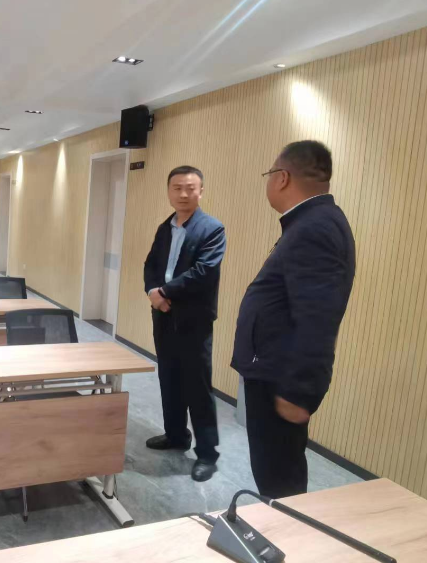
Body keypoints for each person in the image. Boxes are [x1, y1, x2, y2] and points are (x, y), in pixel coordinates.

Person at [232, 140, 355, 498]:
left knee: (279, 481)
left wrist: (298, 391)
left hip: (280, 379)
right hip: (275, 371)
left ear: (282, 177)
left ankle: (287, 532)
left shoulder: (314, 228)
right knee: (275, 474)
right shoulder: (311, 222)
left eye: (269, 174)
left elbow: (318, 318)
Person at [144, 166, 226, 482]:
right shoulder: (165, 227)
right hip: (163, 315)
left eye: (190, 188)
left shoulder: (212, 229)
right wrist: (153, 292)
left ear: (201, 191)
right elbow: (151, 264)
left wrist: (164, 292)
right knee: (169, 378)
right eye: (177, 187)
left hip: (194, 320)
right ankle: (176, 435)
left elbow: (203, 272)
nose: (183, 194)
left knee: (197, 386)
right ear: (169, 191)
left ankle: (207, 454)